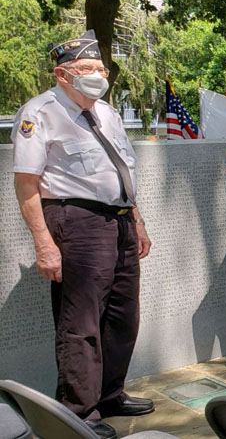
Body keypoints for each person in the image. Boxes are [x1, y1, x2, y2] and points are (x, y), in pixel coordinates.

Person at [11, 30, 154, 438]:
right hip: (77, 222)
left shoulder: (106, 112)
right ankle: (80, 412)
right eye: (88, 69)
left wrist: (138, 220)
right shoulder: (38, 113)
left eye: (101, 68)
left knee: (123, 316)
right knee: (82, 321)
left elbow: (122, 170)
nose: (99, 75)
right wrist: (43, 242)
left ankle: (111, 395)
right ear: (61, 74)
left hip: (121, 220)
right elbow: (27, 185)